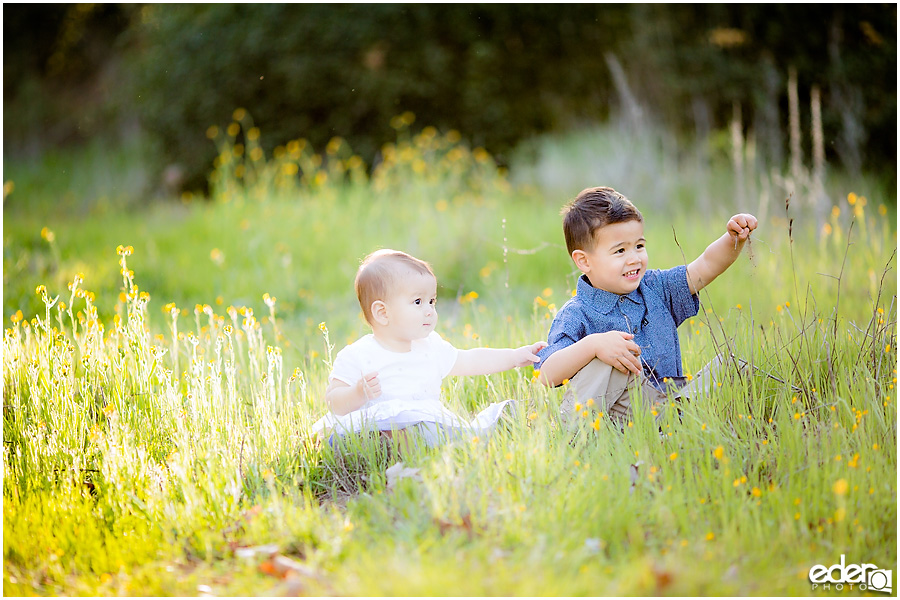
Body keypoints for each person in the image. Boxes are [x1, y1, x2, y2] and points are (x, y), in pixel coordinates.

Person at [535, 186, 757, 425]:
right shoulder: (576, 313)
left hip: (674, 402)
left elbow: (704, 267)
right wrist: (593, 345)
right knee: (604, 361)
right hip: (621, 417)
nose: (634, 258)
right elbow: (547, 373)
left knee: (731, 367)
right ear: (584, 261)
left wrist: (732, 239)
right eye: (620, 250)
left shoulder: (656, 287)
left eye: (639, 246)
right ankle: (573, 439)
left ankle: (683, 428)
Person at [312, 249, 547, 446]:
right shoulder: (358, 355)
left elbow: (470, 360)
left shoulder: (430, 346)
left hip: (423, 425)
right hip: (373, 428)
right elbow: (334, 401)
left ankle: (485, 428)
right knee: (342, 440)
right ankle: (389, 449)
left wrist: (515, 356)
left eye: (432, 301)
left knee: (439, 433)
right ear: (382, 312)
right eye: (418, 302)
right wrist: (358, 393)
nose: (429, 310)